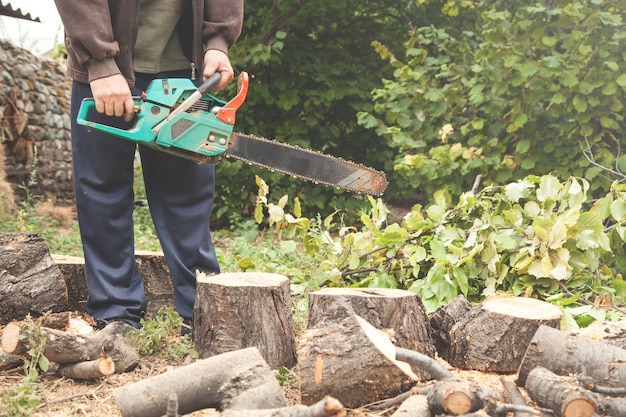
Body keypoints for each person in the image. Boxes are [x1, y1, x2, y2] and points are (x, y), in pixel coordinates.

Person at [53, 0, 244, 331]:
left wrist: (216, 44)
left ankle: (202, 311)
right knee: (103, 190)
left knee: (186, 195)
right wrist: (100, 62)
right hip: (106, 74)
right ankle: (116, 313)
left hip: (186, 71)